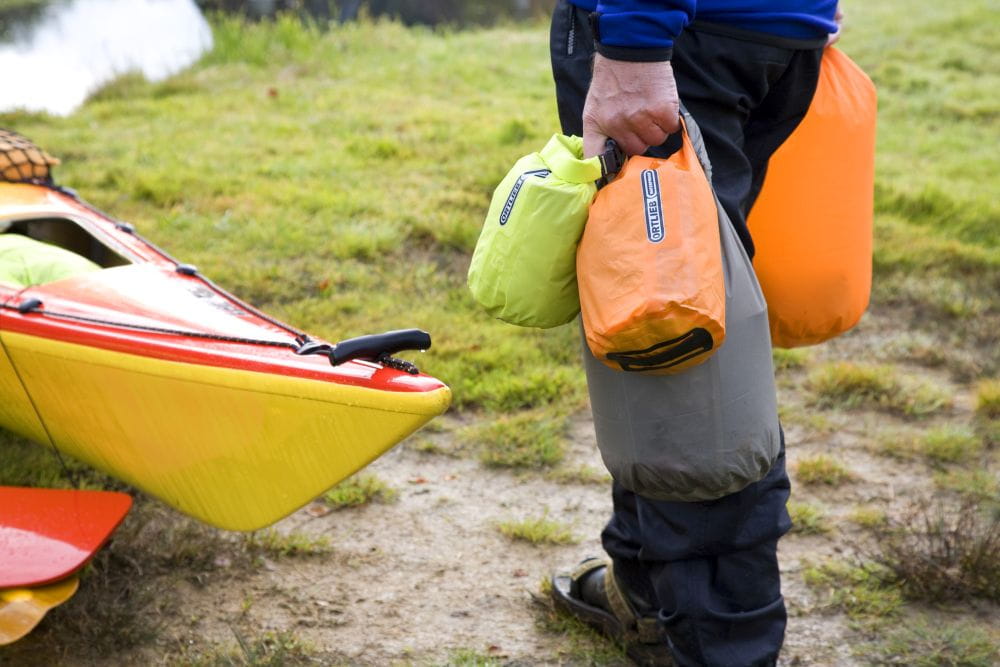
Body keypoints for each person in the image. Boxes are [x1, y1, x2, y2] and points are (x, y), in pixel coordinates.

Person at [548, 2, 840, 665]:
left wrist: (635, 39)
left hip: (674, 37)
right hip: (765, 28)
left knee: (680, 345)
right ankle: (645, 591)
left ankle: (723, 644)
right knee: (658, 310)